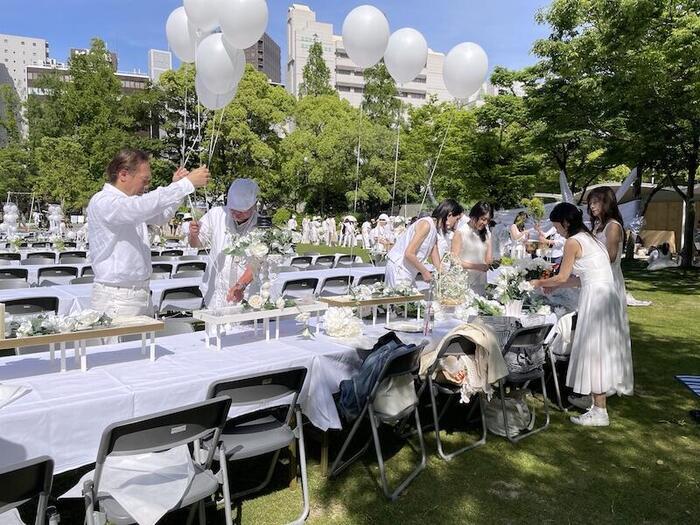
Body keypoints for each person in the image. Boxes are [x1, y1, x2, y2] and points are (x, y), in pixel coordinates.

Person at [530, 203, 633, 426]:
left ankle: (599, 411)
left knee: (594, 350)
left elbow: (561, 276)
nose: (556, 231)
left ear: (566, 223)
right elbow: (580, 278)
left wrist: (537, 282)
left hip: (596, 299)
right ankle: (596, 397)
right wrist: (557, 286)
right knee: (599, 349)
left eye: (557, 227)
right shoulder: (590, 239)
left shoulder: (573, 242)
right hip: (606, 295)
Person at [88, 149, 209, 318]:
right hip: (117, 296)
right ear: (123, 174)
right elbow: (142, 206)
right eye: (144, 180)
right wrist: (185, 184)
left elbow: (161, 216)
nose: (147, 186)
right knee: (121, 345)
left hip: (140, 293)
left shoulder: (129, 204)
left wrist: (178, 188)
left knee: (144, 344)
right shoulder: (104, 201)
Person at [189, 178, 259, 308]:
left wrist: (241, 285)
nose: (236, 214)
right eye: (233, 210)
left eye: (241, 211)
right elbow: (196, 244)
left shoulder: (261, 225)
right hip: (215, 289)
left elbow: (258, 261)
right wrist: (193, 235)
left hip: (245, 292)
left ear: (254, 205)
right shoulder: (216, 214)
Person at [385, 199, 463, 287]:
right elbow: (409, 253)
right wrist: (425, 272)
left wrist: (443, 273)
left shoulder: (435, 229)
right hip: (399, 268)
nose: (456, 224)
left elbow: (434, 252)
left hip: (407, 270)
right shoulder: (426, 225)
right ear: (449, 214)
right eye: (456, 219)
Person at [451, 202, 494, 295]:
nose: (485, 223)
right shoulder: (461, 232)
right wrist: (476, 266)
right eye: (483, 219)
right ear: (474, 216)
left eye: (488, 220)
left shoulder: (487, 233)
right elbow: (454, 260)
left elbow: (488, 259)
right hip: (463, 283)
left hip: (480, 282)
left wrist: (491, 262)